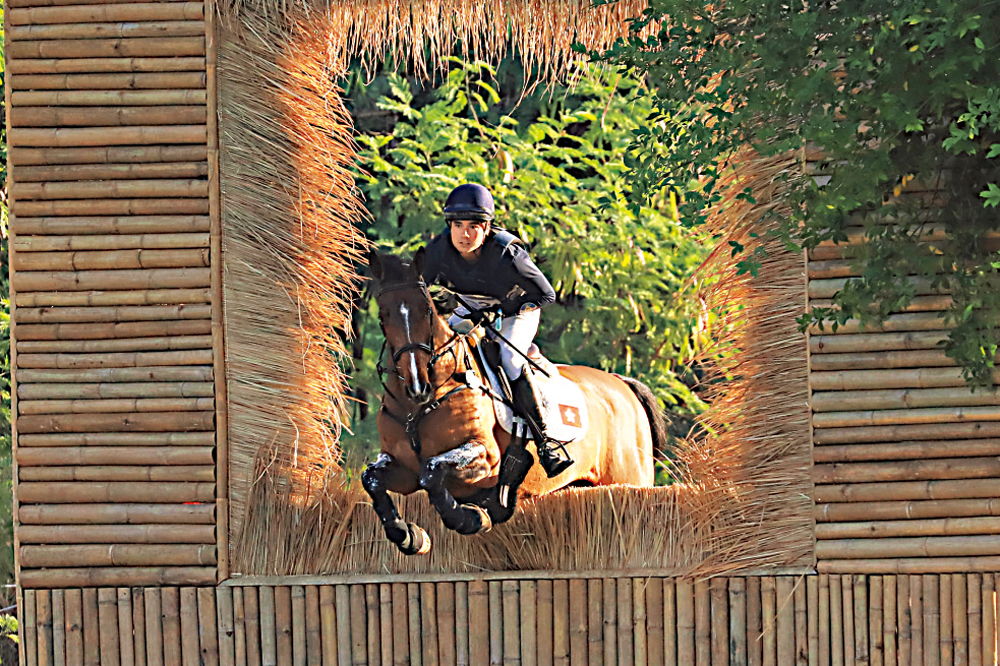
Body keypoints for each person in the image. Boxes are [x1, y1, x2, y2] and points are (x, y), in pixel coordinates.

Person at [419, 183, 573, 478]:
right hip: (469, 309)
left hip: (516, 310)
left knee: (509, 358)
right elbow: (417, 288)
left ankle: (546, 443)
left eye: (473, 226)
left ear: (487, 227)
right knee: (439, 353)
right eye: (458, 225)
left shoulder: (507, 252)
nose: (464, 234)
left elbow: (545, 294)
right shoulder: (438, 250)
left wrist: (500, 311)